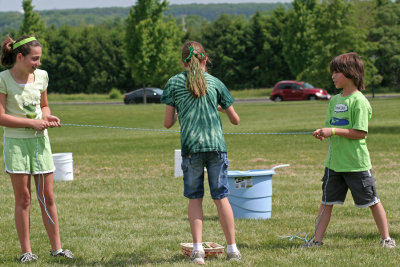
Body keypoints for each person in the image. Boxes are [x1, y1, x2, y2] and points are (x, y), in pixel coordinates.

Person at [304, 52, 395, 248]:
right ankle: (316, 241)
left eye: (337, 72)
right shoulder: (335, 100)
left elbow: (360, 132)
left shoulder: (359, 101)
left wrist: (333, 131)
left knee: (372, 201)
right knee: (326, 202)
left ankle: (386, 239)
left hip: (356, 164)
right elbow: (331, 127)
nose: (333, 76)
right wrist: (324, 132)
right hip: (334, 164)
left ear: (350, 73)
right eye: (332, 72)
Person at [162, 41, 241, 264]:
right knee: (221, 197)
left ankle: (197, 251)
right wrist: (219, 108)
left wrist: (180, 110)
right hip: (216, 147)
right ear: (205, 59)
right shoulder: (216, 82)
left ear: (182, 62)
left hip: (191, 149)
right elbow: (235, 120)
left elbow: (168, 122)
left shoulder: (174, 83)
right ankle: (233, 250)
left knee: (195, 198)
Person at [0, 35, 74, 262]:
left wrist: (47, 116)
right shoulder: (3, 79)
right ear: (20, 57)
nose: (38, 63)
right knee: (24, 199)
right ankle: (27, 252)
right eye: (35, 58)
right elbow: (1, 117)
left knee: (47, 197)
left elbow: (44, 105)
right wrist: (32, 123)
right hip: (16, 145)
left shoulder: (41, 76)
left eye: (40, 58)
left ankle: (57, 249)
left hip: (40, 143)